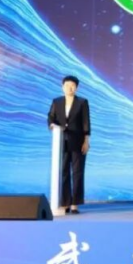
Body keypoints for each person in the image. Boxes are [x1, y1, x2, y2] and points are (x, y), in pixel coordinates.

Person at [47, 75, 90, 214]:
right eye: (67, 85)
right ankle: (65, 202)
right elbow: (51, 117)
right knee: (64, 172)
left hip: (78, 141)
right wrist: (52, 125)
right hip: (61, 141)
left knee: (77, 172)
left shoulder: (82, 102)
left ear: (76, 88)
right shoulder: (56, 101)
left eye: (72, 86)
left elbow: (86, 122)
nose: (70, 88)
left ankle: (75, 203)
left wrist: (86, 141)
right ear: (62, 87)